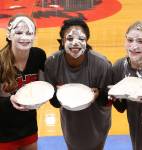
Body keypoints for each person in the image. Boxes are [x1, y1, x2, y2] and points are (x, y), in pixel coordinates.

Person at [44, 17, 112, 150]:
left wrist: (99, 94)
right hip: (71, 123)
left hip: (96, 122)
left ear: (87, 41)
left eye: (81, 39)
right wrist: (57, 95)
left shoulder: (102, 64)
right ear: (62, 41)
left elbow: (108, 100)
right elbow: (54, 102)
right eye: (70, 39)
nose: (75, 43)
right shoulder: (51, 63)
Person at [0, 14, 46, 150]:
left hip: (29, 126)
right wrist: (10, 100)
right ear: (9, 35)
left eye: (29, 33)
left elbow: (43, 86)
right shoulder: (1, 62)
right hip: (3, 131)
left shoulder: (39, 56)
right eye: (19, 32)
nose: (24, 37)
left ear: (34, 36)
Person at [112, 21, 142, 150]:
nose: (134, 46)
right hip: (137, 132)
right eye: (130, 40)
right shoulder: (119, 67)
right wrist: (114, 97)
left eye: (140, 41)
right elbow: (121, 107)